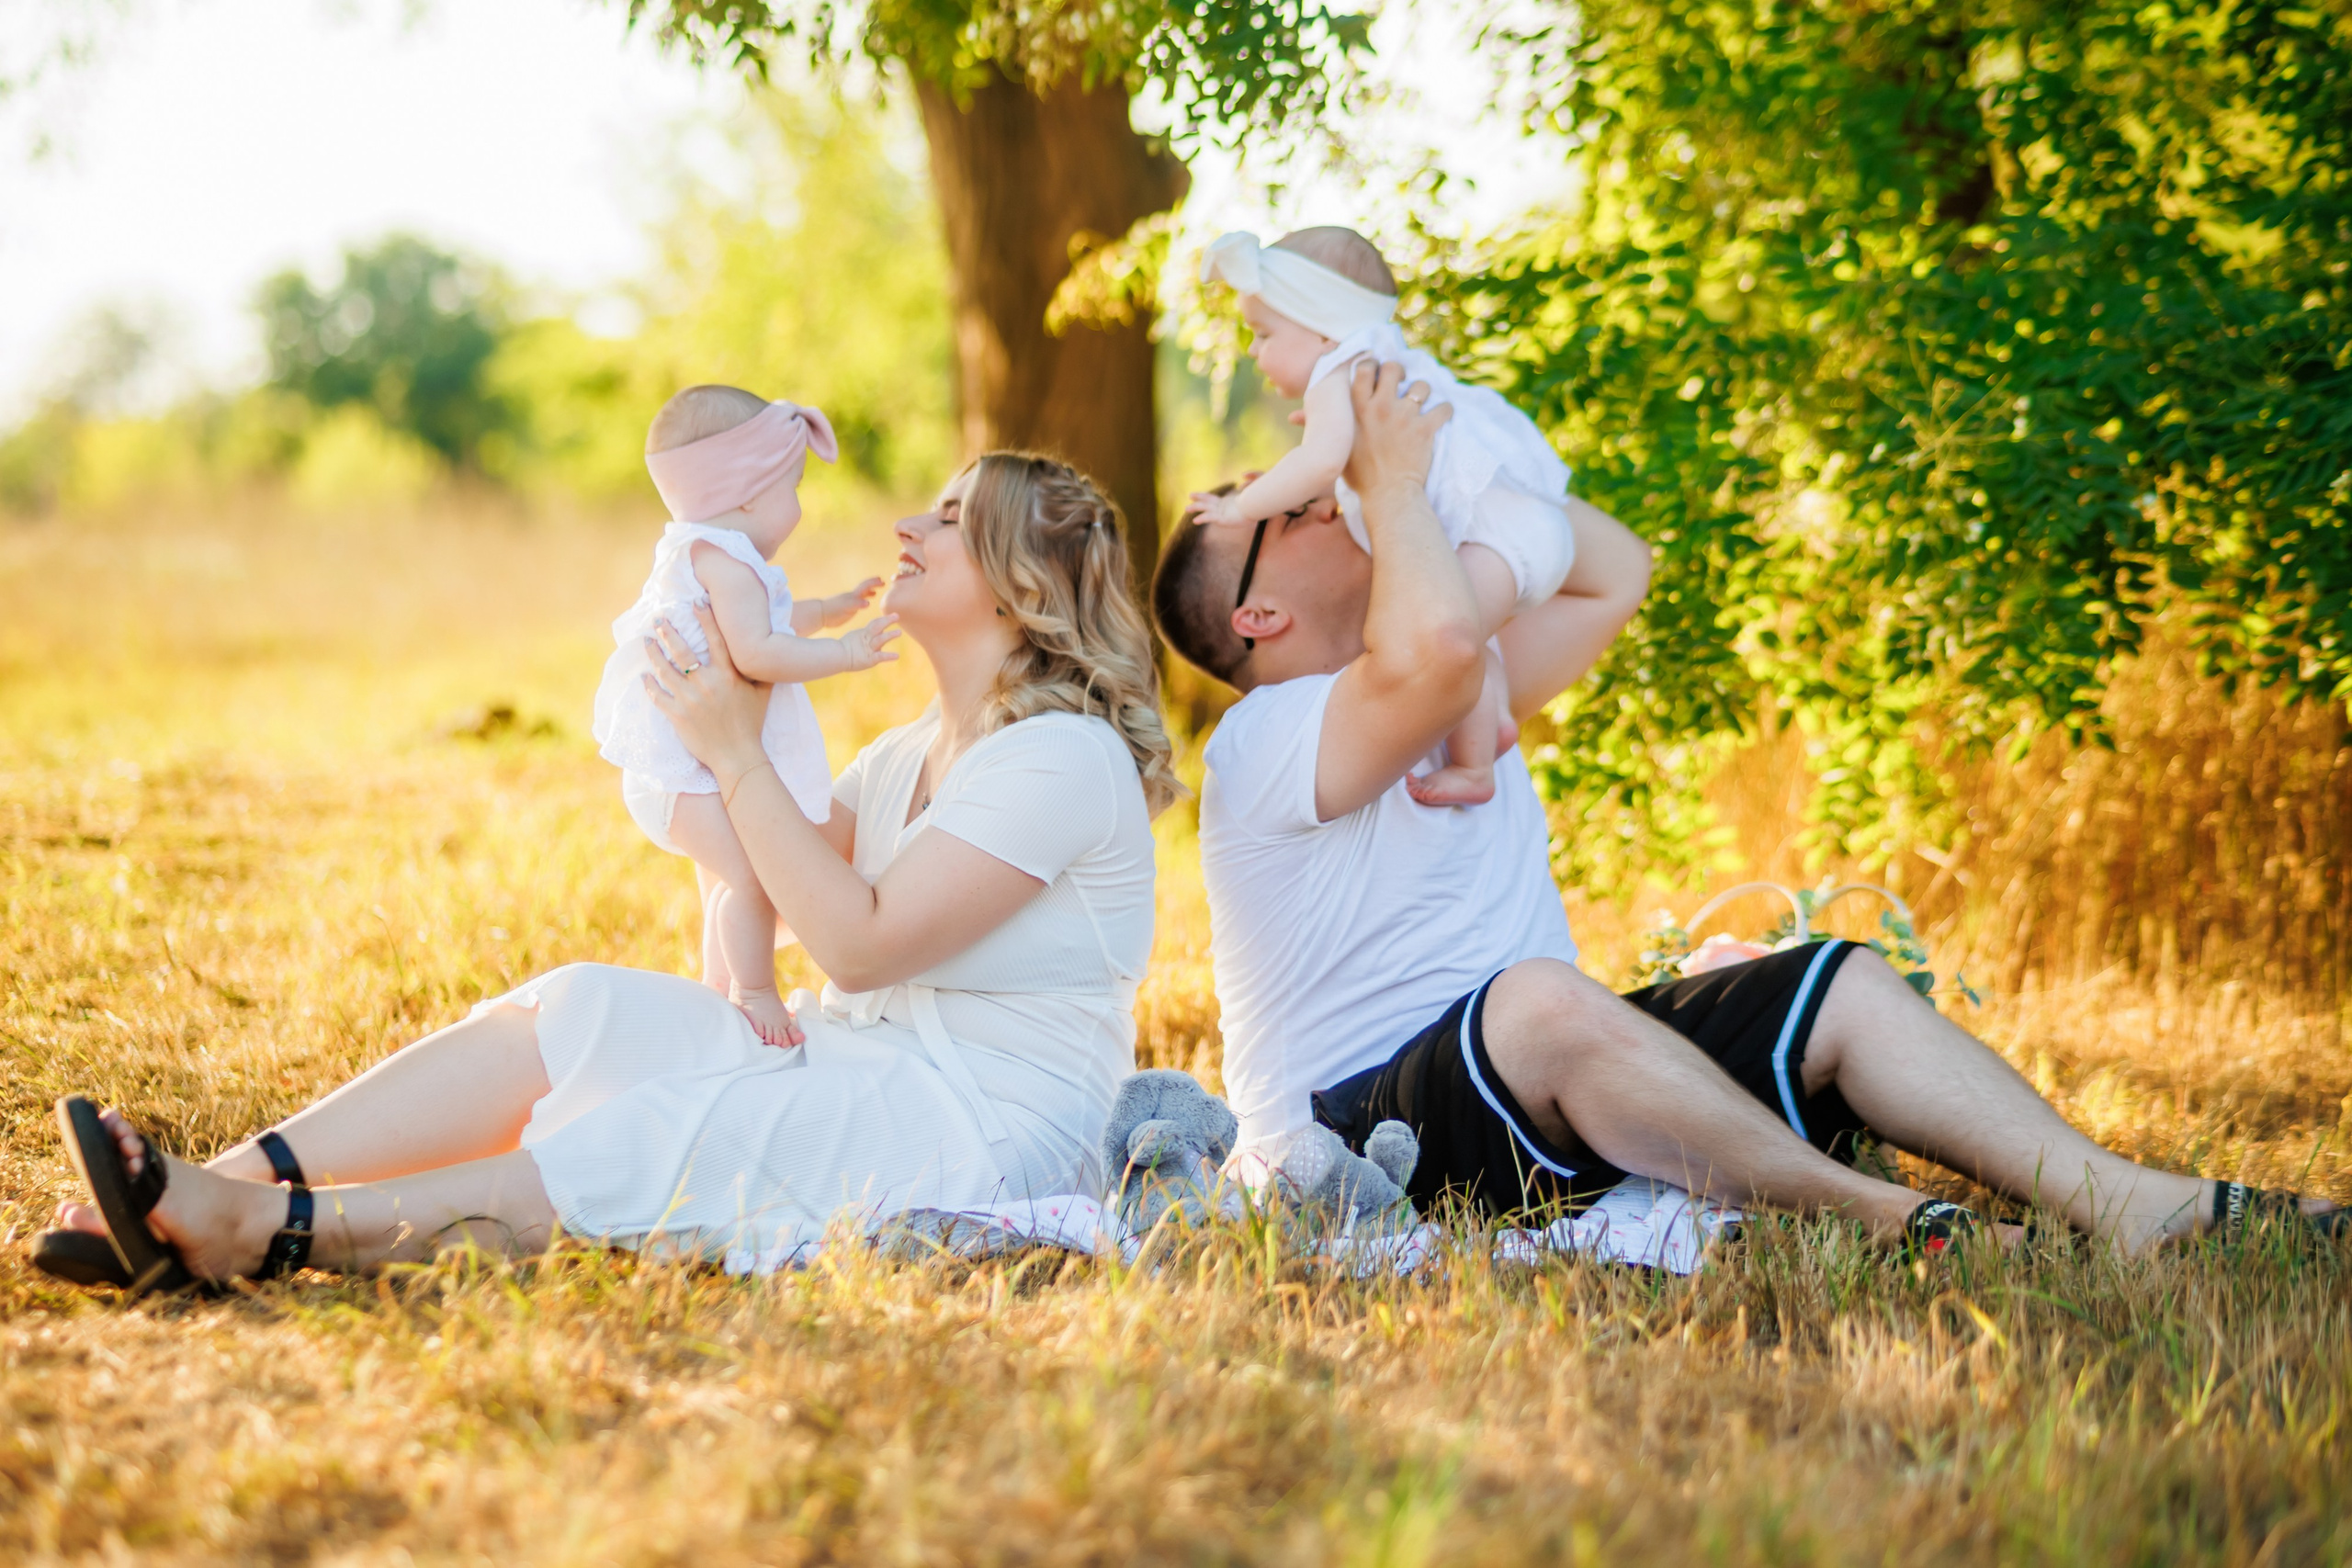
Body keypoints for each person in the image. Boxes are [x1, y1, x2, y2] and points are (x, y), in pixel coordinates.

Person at [1151, 355, 2345, 1252]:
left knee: (1839, 981)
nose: (1330, 498)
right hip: (1361, 1139)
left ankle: (2134, 1204)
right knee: (1542, 1001)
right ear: (1255, 615)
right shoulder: (1266, 739)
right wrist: (1398, 485)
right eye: (1295, 507)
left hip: (1528, 1082)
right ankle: (1892, 1221)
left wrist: (1433, 412)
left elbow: (1610, 566)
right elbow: (1438, 647)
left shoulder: (1468, 671)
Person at [38, 453, 1181, 1293]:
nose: (905, 525)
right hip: (857, 1055)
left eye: (949, 515)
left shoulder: (1064, 758)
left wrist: (738, 752)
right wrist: (692, 720)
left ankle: (262, 1230)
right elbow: (765, 883)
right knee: (579, 1003)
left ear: (1024, 583)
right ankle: (196, 1188)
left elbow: (860, 942)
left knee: (656, 1145)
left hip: (977, 1125)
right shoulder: (907, 755)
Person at [1189, 228, 1594, 809]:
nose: (1255, 352)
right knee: (1471, 632)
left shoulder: (1338, 371)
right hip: (1521, 530)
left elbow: (1322, 459)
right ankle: (1496, 715)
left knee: (1455, 645)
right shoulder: (1383, 360)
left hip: (1501, 538)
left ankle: (1477, 763)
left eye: (1263, 334)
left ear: (1323, 328)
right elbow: (1348, 467)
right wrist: (1292, 489)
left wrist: (1242, 506)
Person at [592, 385, 900, 1045]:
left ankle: (715, 991)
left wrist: (832, 607)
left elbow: (775, 617)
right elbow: (761, 650)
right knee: (751, 873)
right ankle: (755, 990)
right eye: (793, 486)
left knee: (722, 876)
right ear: (750, 492)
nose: (798, 504)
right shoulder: (725, 565)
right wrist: (842, 652)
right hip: (681, 768)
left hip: (689, 761)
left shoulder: (715, 556)